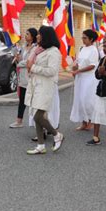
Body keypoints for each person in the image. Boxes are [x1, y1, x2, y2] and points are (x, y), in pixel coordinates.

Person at [25, 26, 64, 155]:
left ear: (46, 36)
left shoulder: (54, 52)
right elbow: (30, 64)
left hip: (46, 86)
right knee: (37, 115)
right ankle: (41, 145)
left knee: (38, 116)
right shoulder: (39, 50)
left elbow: (52, 71)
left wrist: (34, 67)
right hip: (36, 85)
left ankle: (57, 134)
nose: (37, 36)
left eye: (39, 34)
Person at [69, 29, 99, 131]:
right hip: (80, 78)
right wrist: (75, 66)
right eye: (82, 37)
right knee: (79, 100)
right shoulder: (82, 48)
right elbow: (78, 61)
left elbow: (92, 65)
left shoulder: (94, 50)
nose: (83, 39)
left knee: (88, 100)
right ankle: (83, 122)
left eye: (85, 38)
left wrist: (79, 71)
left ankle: (91, 121)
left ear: (91, 39)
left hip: (89, 79)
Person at [10, 28, 37, 128]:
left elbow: (29, 62)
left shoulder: (35, 48)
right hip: (22, 76)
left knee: (32, 101)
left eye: (27, 34)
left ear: (32, 37)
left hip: (30, 76)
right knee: (22, 100)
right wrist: (17, 58)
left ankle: (36, 122)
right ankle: (19, 121)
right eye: (25, 34)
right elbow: (21, 60)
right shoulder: (23, 46)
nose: (25, 36)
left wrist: (20, 63)